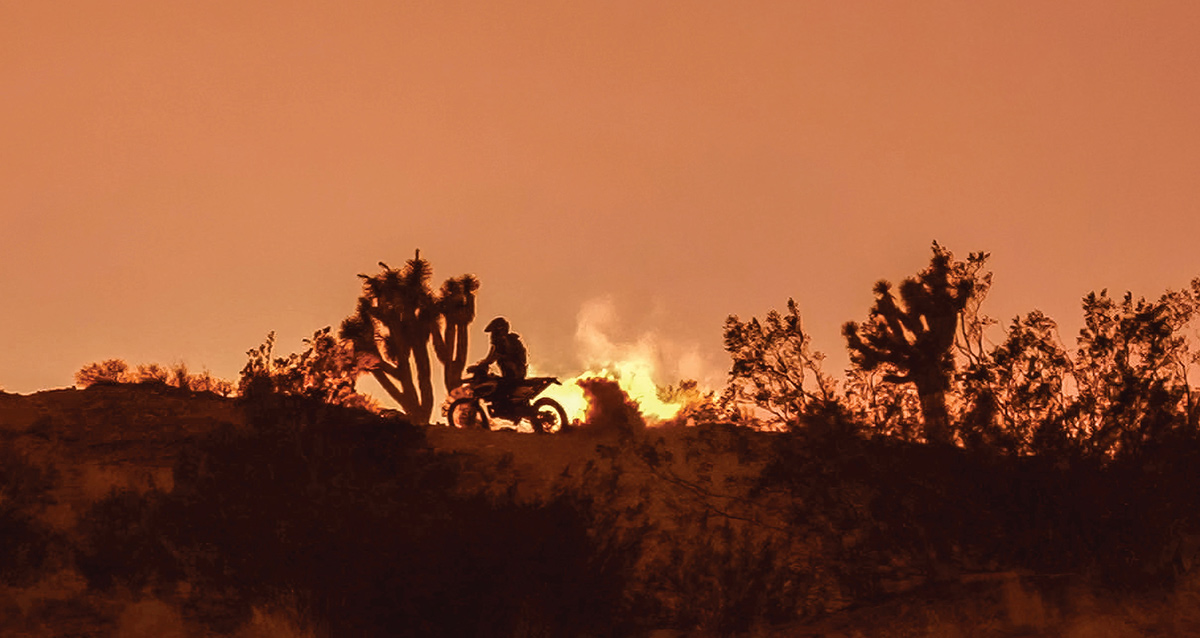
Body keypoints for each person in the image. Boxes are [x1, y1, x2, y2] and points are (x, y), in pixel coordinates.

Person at [472, 317, 528, 399]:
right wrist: (482, 363)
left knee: (499, 389)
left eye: (493, 332)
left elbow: (495, 356)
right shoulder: (499, 343)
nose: (492, 335)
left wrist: (484, 363)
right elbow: (490, 356)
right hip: (510, 373)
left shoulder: (505, 341)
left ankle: (506, 407)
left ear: (499, 330)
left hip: (515, 372)